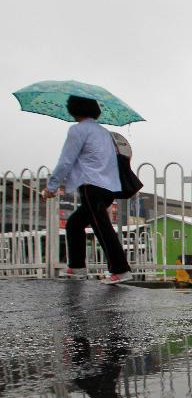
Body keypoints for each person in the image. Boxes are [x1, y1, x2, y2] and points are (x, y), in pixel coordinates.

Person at [41, 95, 132, 284]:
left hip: (92, 186)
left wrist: (51, 187)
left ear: (74, 109)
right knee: (74, 223)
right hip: (109, 187)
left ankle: (121, 270)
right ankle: (76, 268)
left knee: (101, 227)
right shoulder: (104, 133)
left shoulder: (78, 130)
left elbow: (66, 160)